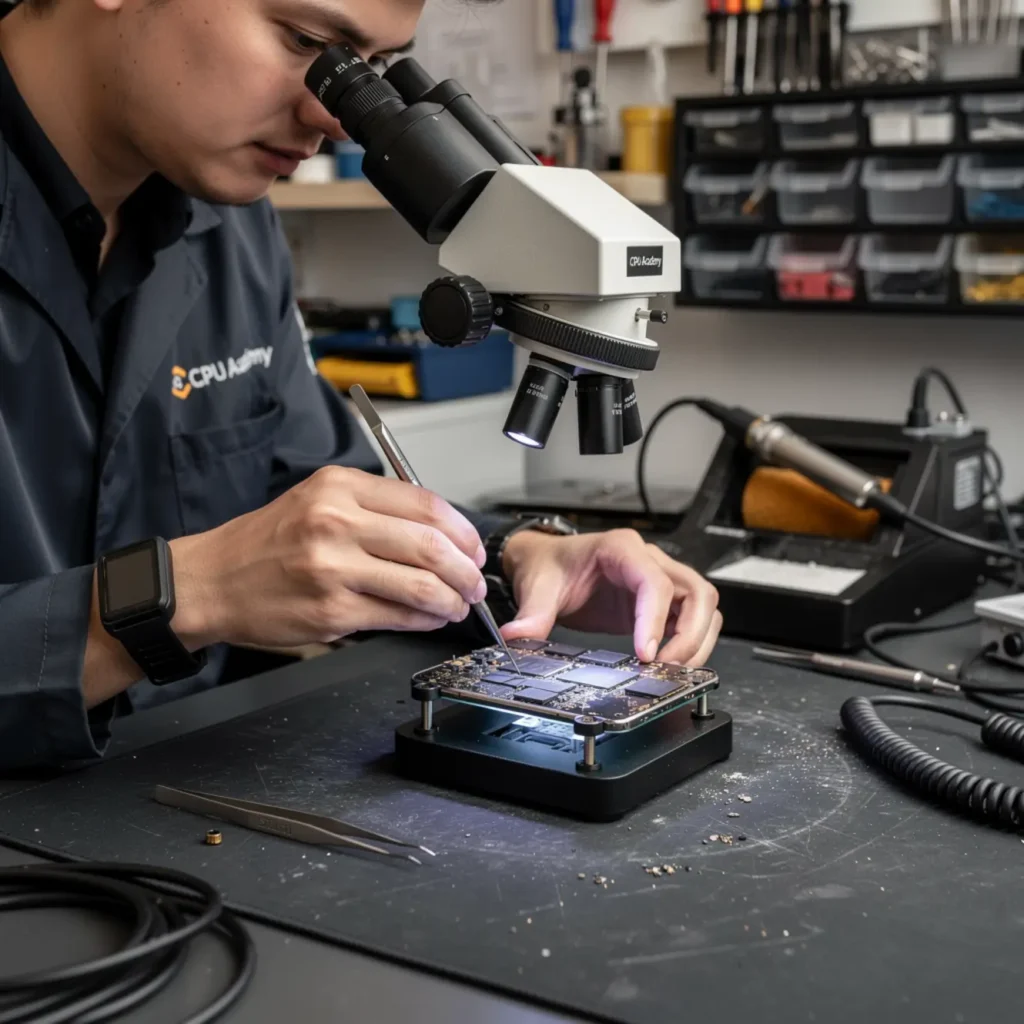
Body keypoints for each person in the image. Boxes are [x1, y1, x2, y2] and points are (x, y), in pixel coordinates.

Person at [0, 0, 721, 772]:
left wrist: (520, 554)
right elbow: (222, 573)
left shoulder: (230, 224)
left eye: (368, 70)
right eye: (307, 40)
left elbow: (306, 499)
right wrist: (173, 601)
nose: (335, 115)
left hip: (179, 797)